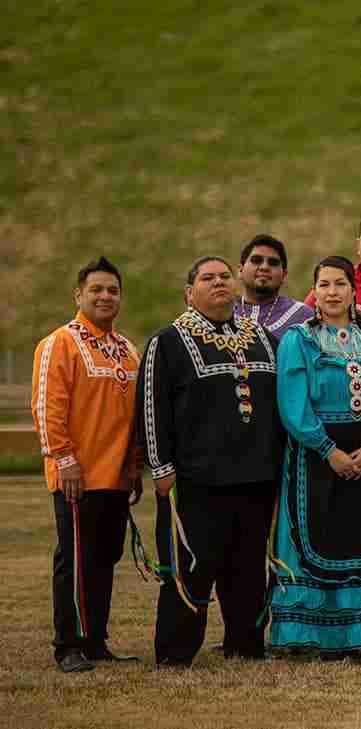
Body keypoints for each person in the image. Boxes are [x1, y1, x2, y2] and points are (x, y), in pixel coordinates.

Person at [137, 256, 283, 667]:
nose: (219, 282)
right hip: (197, 479)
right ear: (189, 292)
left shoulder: (263, 337)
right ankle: (176, 651)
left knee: (249, 568)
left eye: (224, 276)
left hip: (256, 477)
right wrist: (160, 468)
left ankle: (247, 644)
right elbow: (151, 406)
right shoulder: (167, 342)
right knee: (192, 566)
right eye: (207, 278)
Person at [268, 256, 361, 655]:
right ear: (314, 290)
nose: (332, 292)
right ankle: (314, 632)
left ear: (354, 290)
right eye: (324, 284)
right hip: (317, 456)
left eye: (339, 284)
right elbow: (293, 403)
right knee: (319, 538)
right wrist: (328, 450)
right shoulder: (299, 341)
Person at [32, 257, 143, 672]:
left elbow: (133, 416)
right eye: (96, 289)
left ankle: (96, 638)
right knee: (75, 560)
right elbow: (47, 408)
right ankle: (69, 644)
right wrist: (64, 460)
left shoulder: (127, 350)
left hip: (115, 476)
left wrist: (134, 465)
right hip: (77, 474)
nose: (105, 296)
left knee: (104, 558)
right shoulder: (59, 342)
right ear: (79, 295)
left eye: (112, 290)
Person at [233, 234, 313, 337]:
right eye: (256, 260)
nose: (264, 267)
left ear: (284, 275)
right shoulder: (222, 313)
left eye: (273, 263)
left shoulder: (304, 317)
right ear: (240, 270)